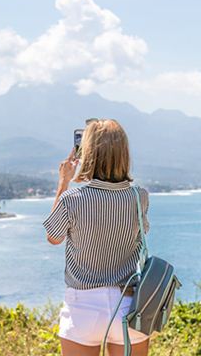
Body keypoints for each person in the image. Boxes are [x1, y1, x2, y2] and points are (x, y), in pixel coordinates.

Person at [43, 119, 150, 356]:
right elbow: (140, 234)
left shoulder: (73, 199)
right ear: (123, 153)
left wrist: (63, 182)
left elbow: (53, 236)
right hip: (128, 305)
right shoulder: (139, 196)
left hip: (83, 307)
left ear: (88, 152)